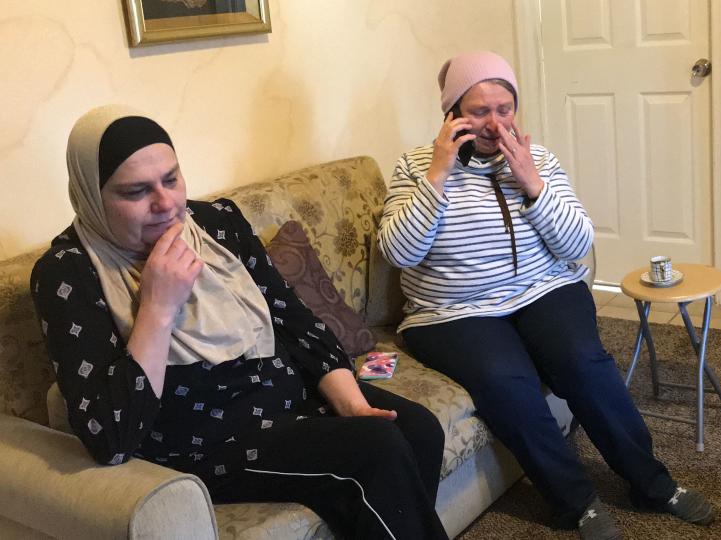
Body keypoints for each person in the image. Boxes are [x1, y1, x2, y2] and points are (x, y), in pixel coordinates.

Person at [31, 104, 449, 540]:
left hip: (283, 393)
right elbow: (110, 436)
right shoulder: (68, 273)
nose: (166, 204)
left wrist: (352, 405)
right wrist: (157, 307)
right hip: (202, 439)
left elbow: (295, 321)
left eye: (171, 179)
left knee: (417, 428)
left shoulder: (216, 223)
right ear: (90, 196)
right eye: (135, 192)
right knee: (375, 450)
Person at [378, 51, 715, 540]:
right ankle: (575, 502)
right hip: (452, 312)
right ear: (450, 114)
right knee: (506, 382)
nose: (495, 123)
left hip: (543, 289)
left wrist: (532, 184)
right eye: (478, 110)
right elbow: (400, 252)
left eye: (505, 109)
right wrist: (439, 174)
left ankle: (653, 484)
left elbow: (577, 245)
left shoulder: (539, 161)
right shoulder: (416, 168)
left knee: (583, 362)